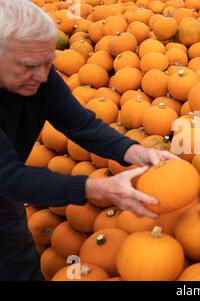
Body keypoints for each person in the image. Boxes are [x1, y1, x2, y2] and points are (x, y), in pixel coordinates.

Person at [0, 0, 179, 281]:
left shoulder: (41, 75)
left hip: (7, 187)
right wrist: (97, 188)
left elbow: (79, 123)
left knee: (18, 262)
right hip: (7, 178)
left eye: (49, 62)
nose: (43, 75)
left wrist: (134, 151)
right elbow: (8, 177)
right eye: (30, 66)